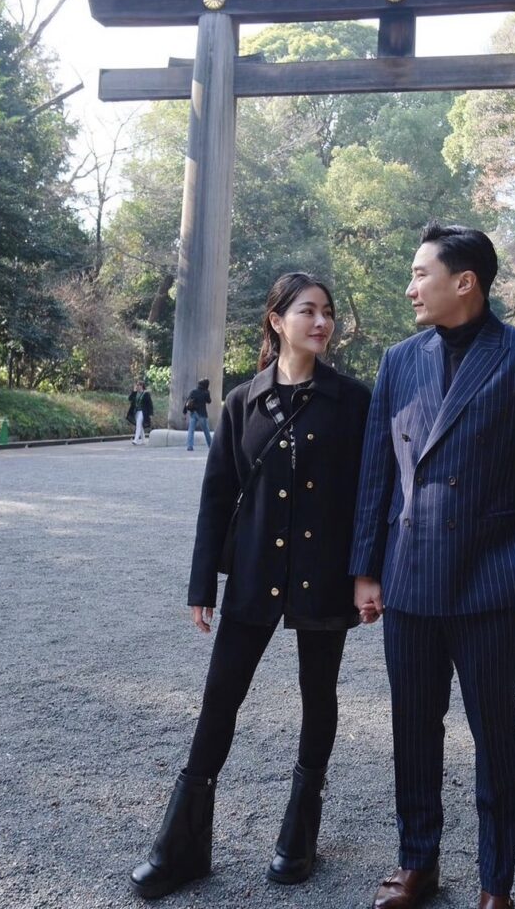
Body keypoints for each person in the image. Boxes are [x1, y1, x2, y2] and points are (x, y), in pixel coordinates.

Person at [349, 223, 515, 909]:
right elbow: (376, 474)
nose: (411, 288)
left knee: (494, 736)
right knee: (413, 731)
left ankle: (495, 882)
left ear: (465, 282)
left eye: (422, 274)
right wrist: (366, 570)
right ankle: (417, 862)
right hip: (409, 578)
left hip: (489, 583)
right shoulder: (399, 360)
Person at [128, 273, 371, 899]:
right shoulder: (242, 402)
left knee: (318, 695)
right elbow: (217, 497)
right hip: (256, 571)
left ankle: (300, 832)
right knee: (220, 698)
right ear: (276, 320)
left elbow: (372, 494)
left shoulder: (353, 401)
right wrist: (201, 583)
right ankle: (183, 845)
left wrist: (367, 573)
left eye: (327, 312)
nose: (321, 322)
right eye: (308, 311)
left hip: (324, 575)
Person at [184, 378, 213, 451]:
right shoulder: (206, 392)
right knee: (206, 430)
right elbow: (209, 401)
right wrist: (207, 393)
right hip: (202, 413)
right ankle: (211, 445)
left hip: (193, 412)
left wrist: (184, 411)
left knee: (191, 430)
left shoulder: (193, 391)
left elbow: (187, 401)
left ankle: (189, 446)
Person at [127, 380, 153, 445]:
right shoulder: (135, 393)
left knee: (138, 424)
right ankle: (143, 440)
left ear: (142, 386)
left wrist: (150, 414)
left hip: (142, 412)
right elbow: (129, 399)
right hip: (136, 411)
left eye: (138, 385)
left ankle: (135, 440)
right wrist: (133, 391)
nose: (137, 386)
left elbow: (150, 404)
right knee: (140, 425)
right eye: (137, 385)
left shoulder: (146, 394)